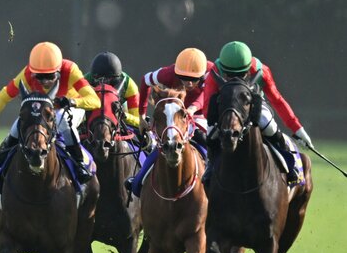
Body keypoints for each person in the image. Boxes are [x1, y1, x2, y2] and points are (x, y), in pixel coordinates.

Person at [0, 41, 98, 187]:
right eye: (39, 77)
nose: (45, 81)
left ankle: (79, 163)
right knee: (21, 121)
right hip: (44, 110)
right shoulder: (27, 74)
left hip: (72, 107)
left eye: (50, 76)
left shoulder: (71, 70)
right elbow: (4, 95)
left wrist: (71, 102)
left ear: (59, 71)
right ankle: (0, 158)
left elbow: (95, 101)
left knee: (61, 118)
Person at [193, 40, 311, 186]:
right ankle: (211, 166)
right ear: (223, 70)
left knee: (269, 126)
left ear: (249, 70)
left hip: (252, 103)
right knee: (211, 134)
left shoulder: (262, 71)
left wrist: (298, 129)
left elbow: (277, 100)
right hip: (224, 106)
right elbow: (206, 108)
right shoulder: (214, 74)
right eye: (229, 75)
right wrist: (219, 119)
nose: (235, 79)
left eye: (241, 75)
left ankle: (290, 165)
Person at [127, 47, 210, 196]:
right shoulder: (167, 73)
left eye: (194, 79)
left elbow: (206, 95)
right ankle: (139, 180)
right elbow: (145, 81)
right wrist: (141, 116)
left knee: (204, 138)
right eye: (184, 78)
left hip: (199, 114)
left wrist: (191, 109)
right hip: (173, 114)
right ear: (177, 72)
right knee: (160, 143)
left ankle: (212, 174)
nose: (189, 84)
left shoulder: (210, 72)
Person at [86, 52, 142, 133]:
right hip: (92, 115)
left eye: (109, 80)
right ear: (93, 76)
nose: (104, 84)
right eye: (99, 80)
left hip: (119, 112)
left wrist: (123, 115)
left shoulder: (129, 84)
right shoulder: (85, 80)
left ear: (118, 78)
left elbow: (139, 121)